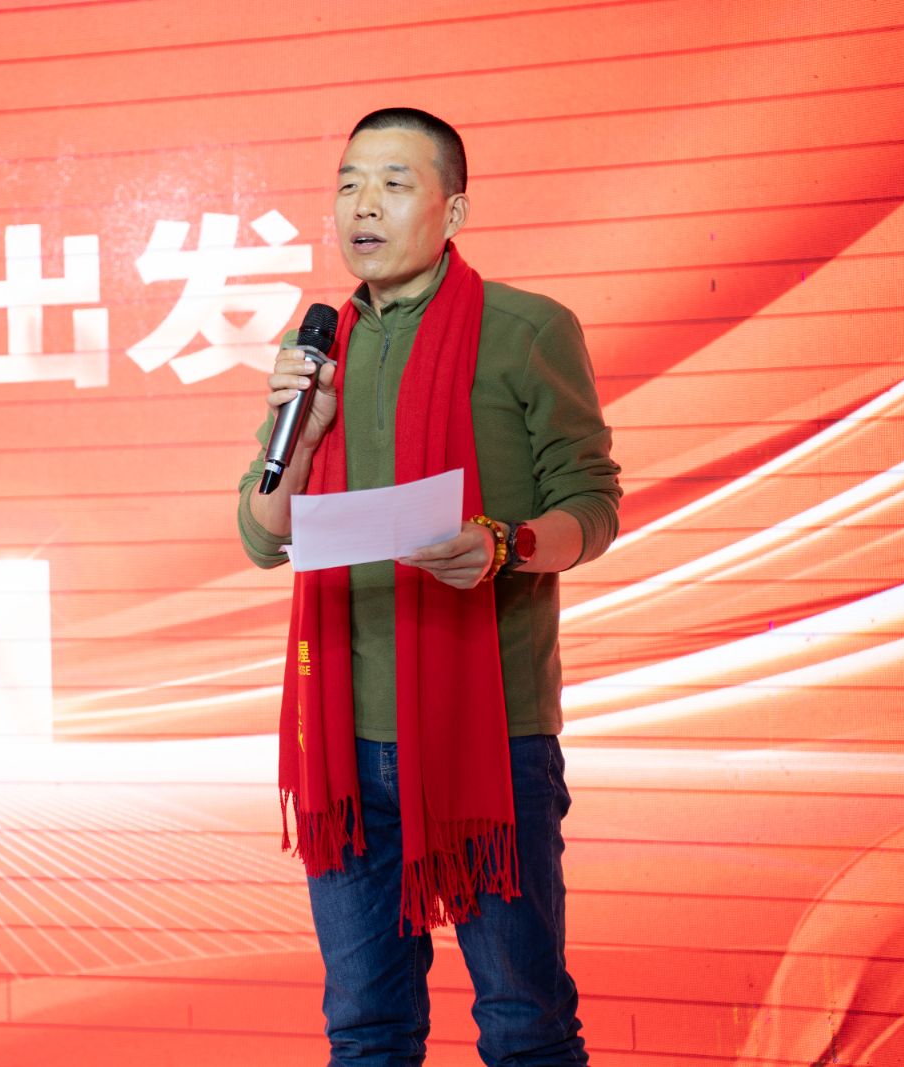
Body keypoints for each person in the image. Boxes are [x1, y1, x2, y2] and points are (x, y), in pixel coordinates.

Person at [237, 107, 621, 1066]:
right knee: (365, 1031)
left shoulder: (527, 330)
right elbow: (262, 533)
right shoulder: (316, 348)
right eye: (347, 183)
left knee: (526, 1025)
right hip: (342, 744)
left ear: (454, 211)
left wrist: (504, 544)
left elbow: (593, 506)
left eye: (394, 183)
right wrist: (303, 433)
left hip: (490, 734)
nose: (362, 205)